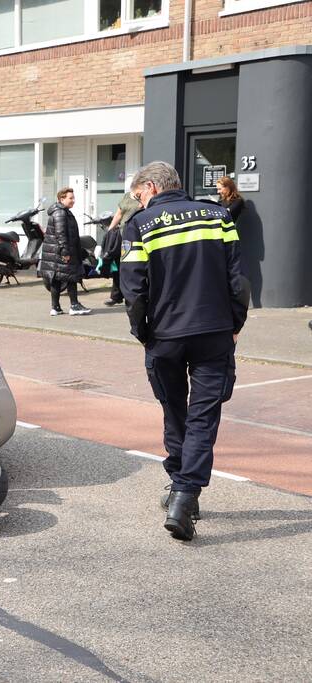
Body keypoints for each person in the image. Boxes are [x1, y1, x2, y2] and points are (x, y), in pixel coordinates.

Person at [120, 161, 250, 541]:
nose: (137, 201)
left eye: (138, 194)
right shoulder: (218, 216)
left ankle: (181, 489)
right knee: (203, 416)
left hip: (165, 335)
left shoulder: (140, 225)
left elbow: (133, 289)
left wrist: (142, 332)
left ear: (152, 187)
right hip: (214, 332)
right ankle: (184, 492)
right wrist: (236, 324)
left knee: (174, 409)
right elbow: (237, 279)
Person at [39, 187, 91, 316]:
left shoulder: (62, 211)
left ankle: (55, 307)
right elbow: (61, 234)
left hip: (56, 252)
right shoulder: (60, 213)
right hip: (61, 253)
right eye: (70, 198)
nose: (73, 200)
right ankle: (74, 305)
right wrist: (65, 253)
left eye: (74, 198)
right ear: (62, 199)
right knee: (71, 277)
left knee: (57, 278)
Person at [102, 191, 143, 306]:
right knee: (118, 266)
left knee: (132, 266)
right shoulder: (127, 196)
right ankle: (116, 296)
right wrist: (110, 231)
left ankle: (132, 295)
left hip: (136, 235)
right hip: (121, 235)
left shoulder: (145, 196)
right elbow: (119, 214)